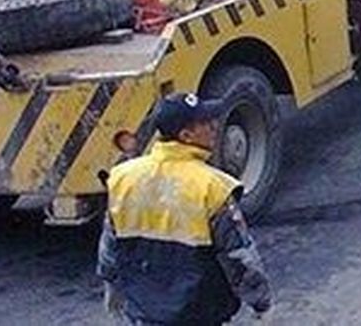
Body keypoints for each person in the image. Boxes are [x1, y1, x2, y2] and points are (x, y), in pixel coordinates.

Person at [97, 92, 272, 325]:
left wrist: (111, 284)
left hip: (144, 309)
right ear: (186, 135)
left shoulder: (123, 178)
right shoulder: (211, 187)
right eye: (205, 123)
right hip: (199, 310)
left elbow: (110, 243)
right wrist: (261, 302)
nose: (214, 126)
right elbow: (238, 256)